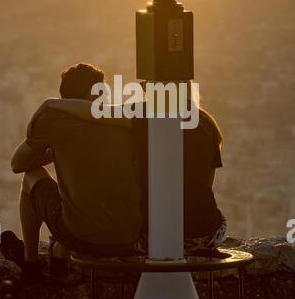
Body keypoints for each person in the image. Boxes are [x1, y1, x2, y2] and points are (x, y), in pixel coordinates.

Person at [25, 76, 227, 255]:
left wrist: (51, 103)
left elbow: (96, 112)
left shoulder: (145, 115)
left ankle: (46, 254)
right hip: (208, 234)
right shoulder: (207, 124)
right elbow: (206, 185)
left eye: (147, 85)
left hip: (157, 239)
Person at [0, 63, 143, 281]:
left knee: (32, 177)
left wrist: (57, 148)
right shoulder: (123, 121)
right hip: (129, 238)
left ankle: (31, 264)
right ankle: (59, 251)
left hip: (83, 238)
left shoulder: (54, 120)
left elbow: (18, 164)